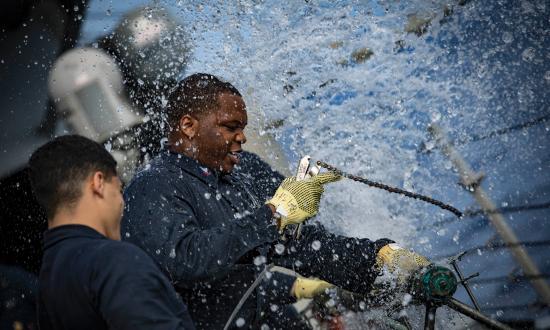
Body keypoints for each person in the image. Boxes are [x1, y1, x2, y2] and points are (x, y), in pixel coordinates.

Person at [122, 73, 430, 329]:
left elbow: (300, 243)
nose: (242, 137)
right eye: (231, 127)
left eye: (243, 128)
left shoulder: (245, 171)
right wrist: (274, 215)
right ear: (189, 126)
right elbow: (185, 261)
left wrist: (378, 260)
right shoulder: (152, 185)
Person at [28, 135, 195, 330]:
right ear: (98, 183)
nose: (121, 203)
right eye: (118, 189)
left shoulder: (49, 281)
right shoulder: (113, 261)